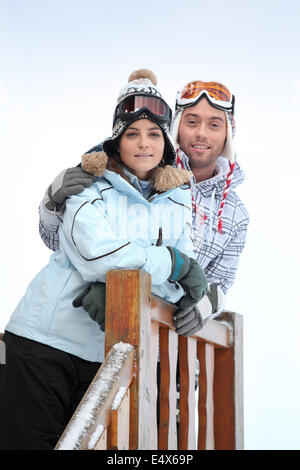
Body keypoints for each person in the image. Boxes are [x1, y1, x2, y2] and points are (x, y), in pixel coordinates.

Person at [0, 70, 209, 450]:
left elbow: (182, 286)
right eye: (132, 134)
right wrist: (173, 263)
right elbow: (99, 257)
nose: (144, 143)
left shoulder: (178, 201)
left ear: (166, 141)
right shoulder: (87, 184)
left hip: (109, 352)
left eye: (154, 134)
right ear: (117, 139)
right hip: (47, 344)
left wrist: (178, 280)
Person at [38, 77, 249, 323]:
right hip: (95, 321)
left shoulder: (234, 214)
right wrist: (51, 204)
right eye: (192, 122)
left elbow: (219, 282)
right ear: (176, 126)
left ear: (227, 134)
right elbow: (60, 242)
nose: (201, 133)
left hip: (165, 332)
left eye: (214, 125)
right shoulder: (133, 172)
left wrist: (204, 304)